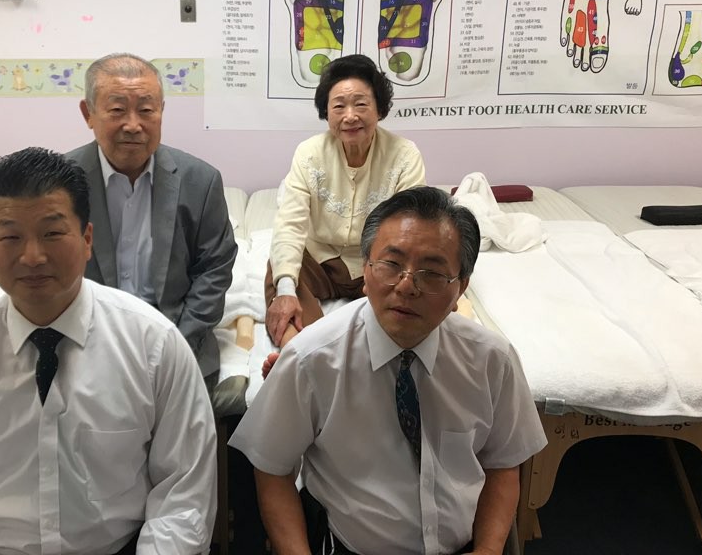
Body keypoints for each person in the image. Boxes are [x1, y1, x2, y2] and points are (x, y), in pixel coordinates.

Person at [0, 147, 217, 555]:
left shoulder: (155, 346)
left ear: (87, 239)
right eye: (11, 237)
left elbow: (182, 502)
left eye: (52, 234)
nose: (33, 256)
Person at [231, 187, 547, 555]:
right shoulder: (310, 360)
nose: (407, 286)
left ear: (461, 287)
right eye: (391, 264)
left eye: (432, 273)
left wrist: (489, 550)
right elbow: (272, 467)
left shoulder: (493, 360)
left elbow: (504, 463)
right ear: (365, 271)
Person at [68, 53, 237, 381]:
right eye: (117, 110)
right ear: (88, 114)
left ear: (161, 111)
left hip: (176, 336)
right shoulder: (58, 183)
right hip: (86, 340)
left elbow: (213, 271)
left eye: (146, 110)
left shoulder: (200, 181)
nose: (133, 125)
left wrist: (175, 348)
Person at [266, 53, 427, 351]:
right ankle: (300, 352)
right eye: (339, 106)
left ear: (379, 109)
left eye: (361, 104)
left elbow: (410, 231)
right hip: (318, 260)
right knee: (281, 277)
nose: (350, 116)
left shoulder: (405, 155)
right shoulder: (309, 153)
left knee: (416, 290)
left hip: (376, 263)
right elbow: (290, 222)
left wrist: (385, 272)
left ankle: (362, 351)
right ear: (327, 113)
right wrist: (285, 288)